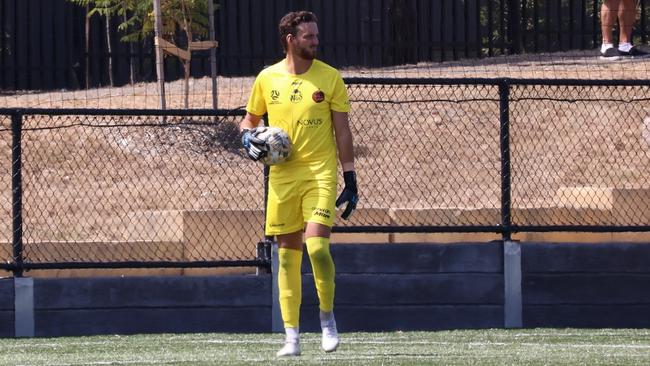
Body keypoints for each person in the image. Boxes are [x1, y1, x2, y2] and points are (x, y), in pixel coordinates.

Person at [239, 10, 358, 357]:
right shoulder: (267, 78)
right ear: (291, 40)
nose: (316, 41)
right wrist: (247, 139)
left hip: (320, 173)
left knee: (317, 249)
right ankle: (291, 337)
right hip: (283, 177)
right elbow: (248, 120)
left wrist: (349, 175)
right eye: (309, 37)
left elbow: (343, 130)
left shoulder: (330, 77)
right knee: (287, 258)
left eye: (316, 36)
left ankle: (326, 319)